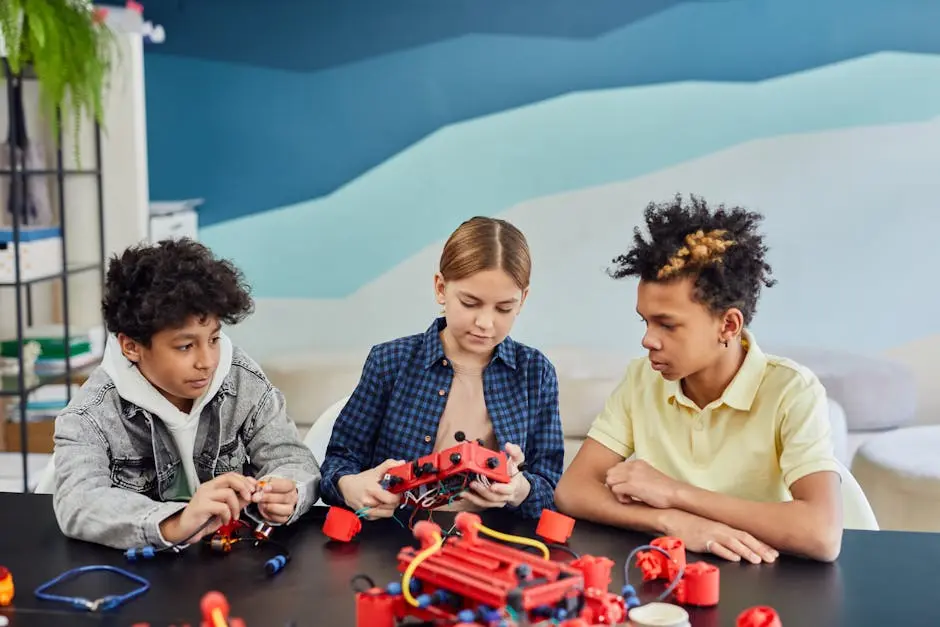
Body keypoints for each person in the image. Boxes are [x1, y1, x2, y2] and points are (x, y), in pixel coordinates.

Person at [555, 195, 843, 563]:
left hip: (764, 579)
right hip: (667, 571)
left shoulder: (792, 390)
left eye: (667, 324)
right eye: (645, 321)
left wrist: (676, 494)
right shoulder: (642, 378)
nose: (648, 339)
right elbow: (573, 489)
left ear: (728, 325)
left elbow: (822, 533)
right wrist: (670, 521)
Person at [52, 238, 321, 550]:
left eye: (214, 339)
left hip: (233, 568)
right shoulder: (90, 415)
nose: (206, 361)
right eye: (185, 346)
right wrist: (175, 521)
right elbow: (78, 503)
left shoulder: (241, 378)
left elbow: (293, 458)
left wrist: (288, 492)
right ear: (131, 347)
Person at [319, 216, 564, 521]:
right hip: (393, 540)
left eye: (504, 308)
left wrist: (520, 490)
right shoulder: (390, 362)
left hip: (493, 542)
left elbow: (552, 488)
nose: (485, 323)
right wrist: (349, 485)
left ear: (522, 300)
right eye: (470, 303)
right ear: (440, 288)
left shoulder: (535, 373)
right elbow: (337, 464)